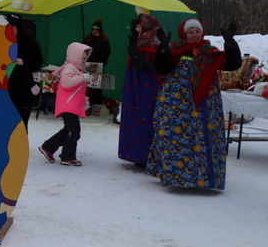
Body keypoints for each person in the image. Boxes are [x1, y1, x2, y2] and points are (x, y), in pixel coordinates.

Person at [146, 18, 241, 190]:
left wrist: (230, 43)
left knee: (204, 138)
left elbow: (233, 64)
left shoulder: (210, 52)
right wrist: (162, 48)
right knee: (174, 137)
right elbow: (161, 68)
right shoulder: (175, 50)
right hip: (176, 105)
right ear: (185, 34)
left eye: (197, 31)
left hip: (205, 105)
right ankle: (176, 178)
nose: (195, 34)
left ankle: (204, 179)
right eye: (191, 32)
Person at [38, 42, 98, 166]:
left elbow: (77, 90)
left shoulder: (76, 68)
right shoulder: (70, 67)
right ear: (75, 55)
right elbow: (66, 83)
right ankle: (67, 156)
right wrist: (83, 78)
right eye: (82, 57)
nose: (84, 59)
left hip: (71, 105)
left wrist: (84, 101)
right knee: (74, 131)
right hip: (67, 105)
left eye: (86, 57)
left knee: (69, 130)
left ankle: (49, 148)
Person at [118, 13, 163, 167]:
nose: (135, 27)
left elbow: (145, 66)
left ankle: (143, 155)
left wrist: (134, 51)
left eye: (138, 25)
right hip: (137, 86)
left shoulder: (150, 41)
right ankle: (137, 154)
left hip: (145, 87)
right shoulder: (142, 39)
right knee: (136, 117)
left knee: (143, 118)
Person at [5, 14, 43, 129]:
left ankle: (20, 144)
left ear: (18, 27)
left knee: (21, 121)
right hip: (5, 86)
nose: (9, 29)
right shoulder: (2, 39)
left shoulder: (28, 40)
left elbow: (38, 61)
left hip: (23, 88)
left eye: (12, 26)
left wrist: (24, 62)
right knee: (5, 120)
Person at [81, 19, 111, 106]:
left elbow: (107, 51)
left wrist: (101, 61)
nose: (94, 31)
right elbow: (81, 48)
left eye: (96, 29)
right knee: (87, 84)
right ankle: (86, 103)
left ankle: (96, 103)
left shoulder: (104, 39)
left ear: (100, 30)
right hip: (88, 64)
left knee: (96, 84)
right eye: (93, 29)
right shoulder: (87, 38)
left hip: (98, 65)